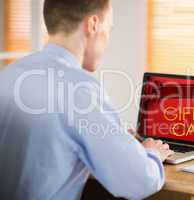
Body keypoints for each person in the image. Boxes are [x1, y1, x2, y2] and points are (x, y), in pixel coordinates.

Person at [0, 0, 173, 199]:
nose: (107, 39)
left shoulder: (8, 74)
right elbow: (139, 181)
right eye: (108, 29)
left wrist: (115, 136)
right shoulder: (79, 89)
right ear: (93, 25)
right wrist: (152, 153)